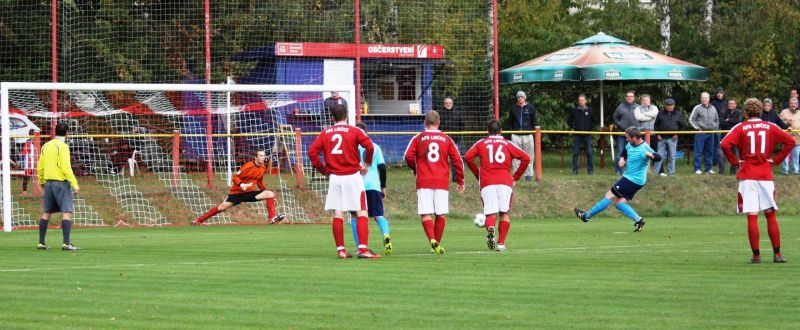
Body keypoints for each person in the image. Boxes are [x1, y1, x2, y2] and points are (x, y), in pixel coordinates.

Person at [720, 98, 795, 263]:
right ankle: (777, 254)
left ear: (745, 112)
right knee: (770, 215)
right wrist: (776, 160)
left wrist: (735, 162)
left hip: (747, 175)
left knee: (752, 216)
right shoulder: (770, 126)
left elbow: (724, 144)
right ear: (761, 111)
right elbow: (790, 141)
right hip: (765, 175)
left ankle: (756, 255)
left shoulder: (740, 127)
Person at [309, 104, 380, 259]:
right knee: (361, 210)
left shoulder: (325, 133)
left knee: (338, 212)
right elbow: (369, 146)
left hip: (335, 177)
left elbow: (312, 152)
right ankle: (362, 249)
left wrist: (324, 170)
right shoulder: (355, 130)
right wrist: (366, 164)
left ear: (332, 118)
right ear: (347, 116)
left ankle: (341, 250)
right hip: (353, 176)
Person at [574, 127, 660, 232]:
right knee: (619, 203)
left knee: (609, 195)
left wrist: (651, 155)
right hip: (635, 181)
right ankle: (638, 220)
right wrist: (622, 160)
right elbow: (624, 153)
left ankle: (586, 216)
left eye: (628, 138)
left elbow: (659, 157)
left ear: (635, 137)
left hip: (632, 180)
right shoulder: (630, 145)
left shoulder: (645, 148)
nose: (627, 140)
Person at [404, 111, 465, 254]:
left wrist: (416, 168)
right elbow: (458, 160)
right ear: (439, 122)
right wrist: (460, 180)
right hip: (441, 181)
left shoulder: (418, 138)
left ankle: (432, 241)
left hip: (424, 180)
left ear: (425, 122)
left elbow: (407, 156)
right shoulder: (446, 139)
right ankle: (436, 243)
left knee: (426, 213)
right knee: (440, 213)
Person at [464, 120, 530, 252]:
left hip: (487, 182)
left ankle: (490, 230)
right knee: (504, 213)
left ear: (488, 131)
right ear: (501, 131)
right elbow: (526, 158)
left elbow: (467, 157)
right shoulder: (507, 143)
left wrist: (478, 174)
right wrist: (515, 177)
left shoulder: (481, 143)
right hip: (505, 182)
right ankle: (500, 244)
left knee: (490, 213)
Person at [191, 149, 284, 226]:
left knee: (270, 194)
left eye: (264, 155)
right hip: (237, 193)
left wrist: (267, 194)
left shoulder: (263, 167)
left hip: (249, 193)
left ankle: (272, 218)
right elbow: (235, 177)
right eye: (261, 155)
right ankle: (198, 221)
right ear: (255, 157)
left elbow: (259, 181)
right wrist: (241, 185)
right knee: (221, 207)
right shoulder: (247, 166)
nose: (263, 157)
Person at [36, 122, 81, 251]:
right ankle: (66, 243)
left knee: (46, 212)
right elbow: (66, 167)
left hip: (49, 183)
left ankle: (41, 242)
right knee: (66, 212)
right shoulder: (63, 147)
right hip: (61, 183)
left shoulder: (46, 145)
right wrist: (75, 184)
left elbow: (40, 166)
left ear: (55, 132)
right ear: (67, 133)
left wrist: (42, 181)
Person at [349, 122, 392, 255]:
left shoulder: (352, 147)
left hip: (357, 186)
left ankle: (359, 247)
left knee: (355, 216)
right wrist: (383, 187)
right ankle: (386, 235)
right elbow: (382, 168)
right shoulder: (375, 147)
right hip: (373, 185)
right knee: (379, 215)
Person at [507, 91, 536, 181]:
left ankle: (529, 175)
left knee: (529, 156)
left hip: (528, 135)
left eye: (522, 97)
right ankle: (516, 176)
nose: (520, 98)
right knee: (515, 156)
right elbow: (510, 121)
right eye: (518, 97)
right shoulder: (513, 108)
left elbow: (534, 121)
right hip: (516, 135)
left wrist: (532, 131)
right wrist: (513, 131)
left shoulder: (531, 108)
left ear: (525, 98)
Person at [689, 92, 719, 174]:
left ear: (709, 99)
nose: (704, 99)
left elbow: (717, 119)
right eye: (702, 98)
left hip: (711, 133)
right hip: (701, 133)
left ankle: (708, 169)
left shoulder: (713, 108)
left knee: (710, 151)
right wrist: (698, 128)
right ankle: (697, 169)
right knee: (698, 152)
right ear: (700, 99)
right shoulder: (697, 108)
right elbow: (691, 119)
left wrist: (715, 127)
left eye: (706, 98)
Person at [653, 98, 685, 176]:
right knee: (659, 156)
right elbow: (655, 125)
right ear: (665, 105)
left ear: (674, 105)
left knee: (672, 156)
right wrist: (658, 135)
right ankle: (655, 173)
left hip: (673, 138)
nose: (669, 106)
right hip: (661, 138)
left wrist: (678, 134)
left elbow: (683, 126)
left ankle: (671, 173)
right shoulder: (660, 113)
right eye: (667, 105)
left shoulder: (678, 114)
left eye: (671, 105)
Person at [567, 94, 596, 175]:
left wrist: (589, 128)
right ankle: (574, 171)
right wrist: (574, 127)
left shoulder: (590, 110)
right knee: (575, 153)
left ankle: (590, 170)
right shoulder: (574, 110)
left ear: (585, 101)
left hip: (587, 135)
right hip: (577, 135)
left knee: (589, 153)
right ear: (578, 101)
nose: (581, 101)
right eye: (580, 100)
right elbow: (569, 121)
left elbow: (594, 121)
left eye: (582, 100)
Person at [612, 90, 639, 175]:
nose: (629, 98)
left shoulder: (638, 107)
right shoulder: (620, 107)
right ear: (626, 97)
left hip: (634, 135)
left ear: (634, 97)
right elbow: (615, 118)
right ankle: (618, 171)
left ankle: (632, 171)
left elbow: (642, 119)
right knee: (620, 152)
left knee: (634, 153)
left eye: (631, 96)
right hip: (622, 133)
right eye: (628, 96)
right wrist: (620, 124)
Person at [438, 97, 465, 182]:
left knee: (455, 159)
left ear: (452, 103)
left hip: (455, 139)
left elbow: (462, 125)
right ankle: (441, 177)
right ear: (444, 104)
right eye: (446, 103)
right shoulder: (439, 113)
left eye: (450, 103)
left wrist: (459, 134)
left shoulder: (457, 112)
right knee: (442, 159)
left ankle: (455, 178)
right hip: (442, 140)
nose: (448, 104)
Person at [718, 99, 743, 175]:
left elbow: (738, 123)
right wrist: (732, 121)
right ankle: (721, 172)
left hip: (735, 136)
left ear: (735, 105)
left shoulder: (739, 112)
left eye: (732, 104)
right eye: (729, 103)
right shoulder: (723, 111)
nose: (730, 105)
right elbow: (721, 123)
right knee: (721, 154)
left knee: (734, 154)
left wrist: (728, 120)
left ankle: (733, 172)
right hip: (724, 136)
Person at [779, 97, 800, 175]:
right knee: (785, 155)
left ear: (797, 104)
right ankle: (785, 171)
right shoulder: (783, 112)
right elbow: (779, 123)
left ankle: (795, 171)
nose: (793, 105)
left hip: (797, 138)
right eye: (791, 103)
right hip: (786, 138)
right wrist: (786, 123)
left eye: (795, 103)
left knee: (796, 156)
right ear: (789, 104)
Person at [710, 87, 728, 167]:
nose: (719, 94)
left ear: (723, 94)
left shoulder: (726, 102)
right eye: (718, 93)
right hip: (717, 126)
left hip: (726, 126)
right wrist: (721, 114)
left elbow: (728, 112)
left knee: (725, 144)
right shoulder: (713, 103)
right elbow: (713, 114)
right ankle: (715, 161)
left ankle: (724, 160)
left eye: (721, 93)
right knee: (717, 144)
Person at [20, 129, 37, 196]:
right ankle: (24, 191)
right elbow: (23, 153)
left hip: (35, 162)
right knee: (26, 177)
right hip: (29, 162)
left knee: (39, 176)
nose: (33, 135)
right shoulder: (28, 142)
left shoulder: (37, 142)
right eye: (33, 134)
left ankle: (40, 189)